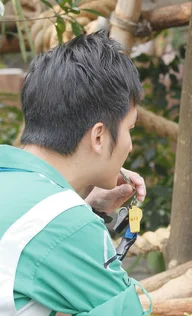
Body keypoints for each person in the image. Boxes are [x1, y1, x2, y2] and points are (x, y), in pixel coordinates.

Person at [0, 31, 152, 315]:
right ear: (99, 136)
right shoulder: (65, 223)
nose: (129, 145)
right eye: (130, 129)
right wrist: (76, 216)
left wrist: (83, 206)